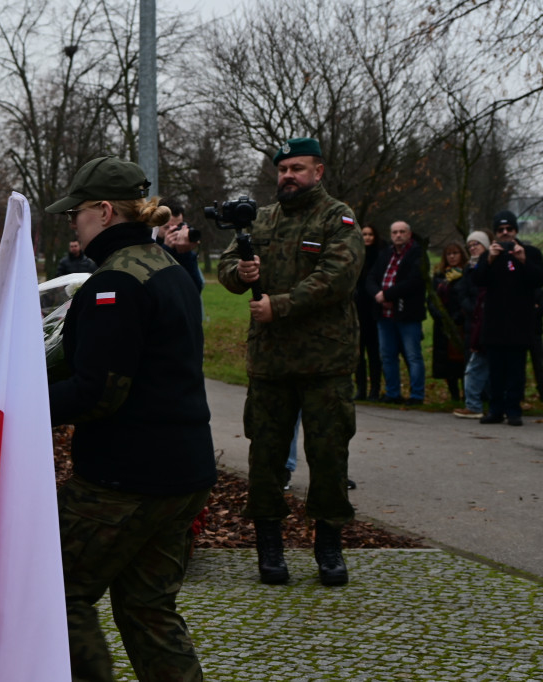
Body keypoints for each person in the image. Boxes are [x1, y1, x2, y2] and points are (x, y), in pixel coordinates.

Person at [46, 156, 216, 682]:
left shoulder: (114, 285)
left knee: (54, 594)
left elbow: (99, 393)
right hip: (183, 474)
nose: (72, 221)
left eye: (75, 211)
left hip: (124, 482)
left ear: (102, 210)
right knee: (148, 608)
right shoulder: (168, 267)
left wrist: (20, 403)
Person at [217, 137, 361, 587]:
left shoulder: (338, 218)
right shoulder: (260, 219)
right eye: (282, 170)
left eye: (297, 169)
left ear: (318, 172)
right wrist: (239, 274)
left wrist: (280, 304)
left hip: (325, 364)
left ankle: (329, 546)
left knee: (329, 458)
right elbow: (225, 268)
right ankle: (270, 547)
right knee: (266, 460)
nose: (288, 176)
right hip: (271, 366)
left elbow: (337, 277)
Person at [471, 210, 543, 426]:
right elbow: (477, 280)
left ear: (515, 231)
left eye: (509, 229)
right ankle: (495, 409)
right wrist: (490, 259)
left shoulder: (530, 252)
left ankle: (513, 409)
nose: (505, 233)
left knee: (516, 370)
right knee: (496, 371)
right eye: (500, 230)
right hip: (494, 322)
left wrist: (522, 260)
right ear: (495, 233)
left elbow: (538, 279)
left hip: (520, 323)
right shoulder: (489, 256)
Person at [367, 221, 427, 405]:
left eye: (402, 232)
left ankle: (417, 395)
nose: (398, 235)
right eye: (395, 232)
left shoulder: (417, 254)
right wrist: (377, 293)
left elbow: (414, 281)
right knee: (387, 355)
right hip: (384, 314)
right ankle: (393, 393)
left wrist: (387, 294)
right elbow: (371, 277)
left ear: (409, 234)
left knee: (412, 355)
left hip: (407, 313)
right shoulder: (385, 254)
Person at [453, 231, 492, 419]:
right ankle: (475, 403)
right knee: (475, 365)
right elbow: (463, 293)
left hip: (488, 321)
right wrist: (472, 308)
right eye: (470, 245)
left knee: (478, 366)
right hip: (473, 323)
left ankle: (477, 403)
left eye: (477, 244)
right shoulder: (469, 268)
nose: (473, 247)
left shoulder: (490, 265)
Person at [429, 241, 469, 401]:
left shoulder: (466, 275)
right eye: (449, 254)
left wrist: (458, 316)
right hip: (442, 324)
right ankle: (454, 396)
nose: (452, 257)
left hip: (460, 323)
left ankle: (468, 394)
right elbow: (431, 299)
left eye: (455, 253)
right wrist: (439, 315)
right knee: (447, 362)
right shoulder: (439, 276)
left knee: (462, 360)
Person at [354, 225, 383, 400]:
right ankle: (361, 388)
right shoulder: (356, 254)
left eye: (370, 234)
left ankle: (375, 389)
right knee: (358, 353)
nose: (367, 237)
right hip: (358, 308)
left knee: (374, 353)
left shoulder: (380, 255)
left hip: (373, 309)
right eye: (364, 234)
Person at [157, 198, 205, 294]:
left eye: (178, 227)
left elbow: (196, 289)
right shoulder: (148, 245)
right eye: (167, 228)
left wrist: (186, 254)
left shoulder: (182, 248)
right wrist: (166, 250)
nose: (174, 232)